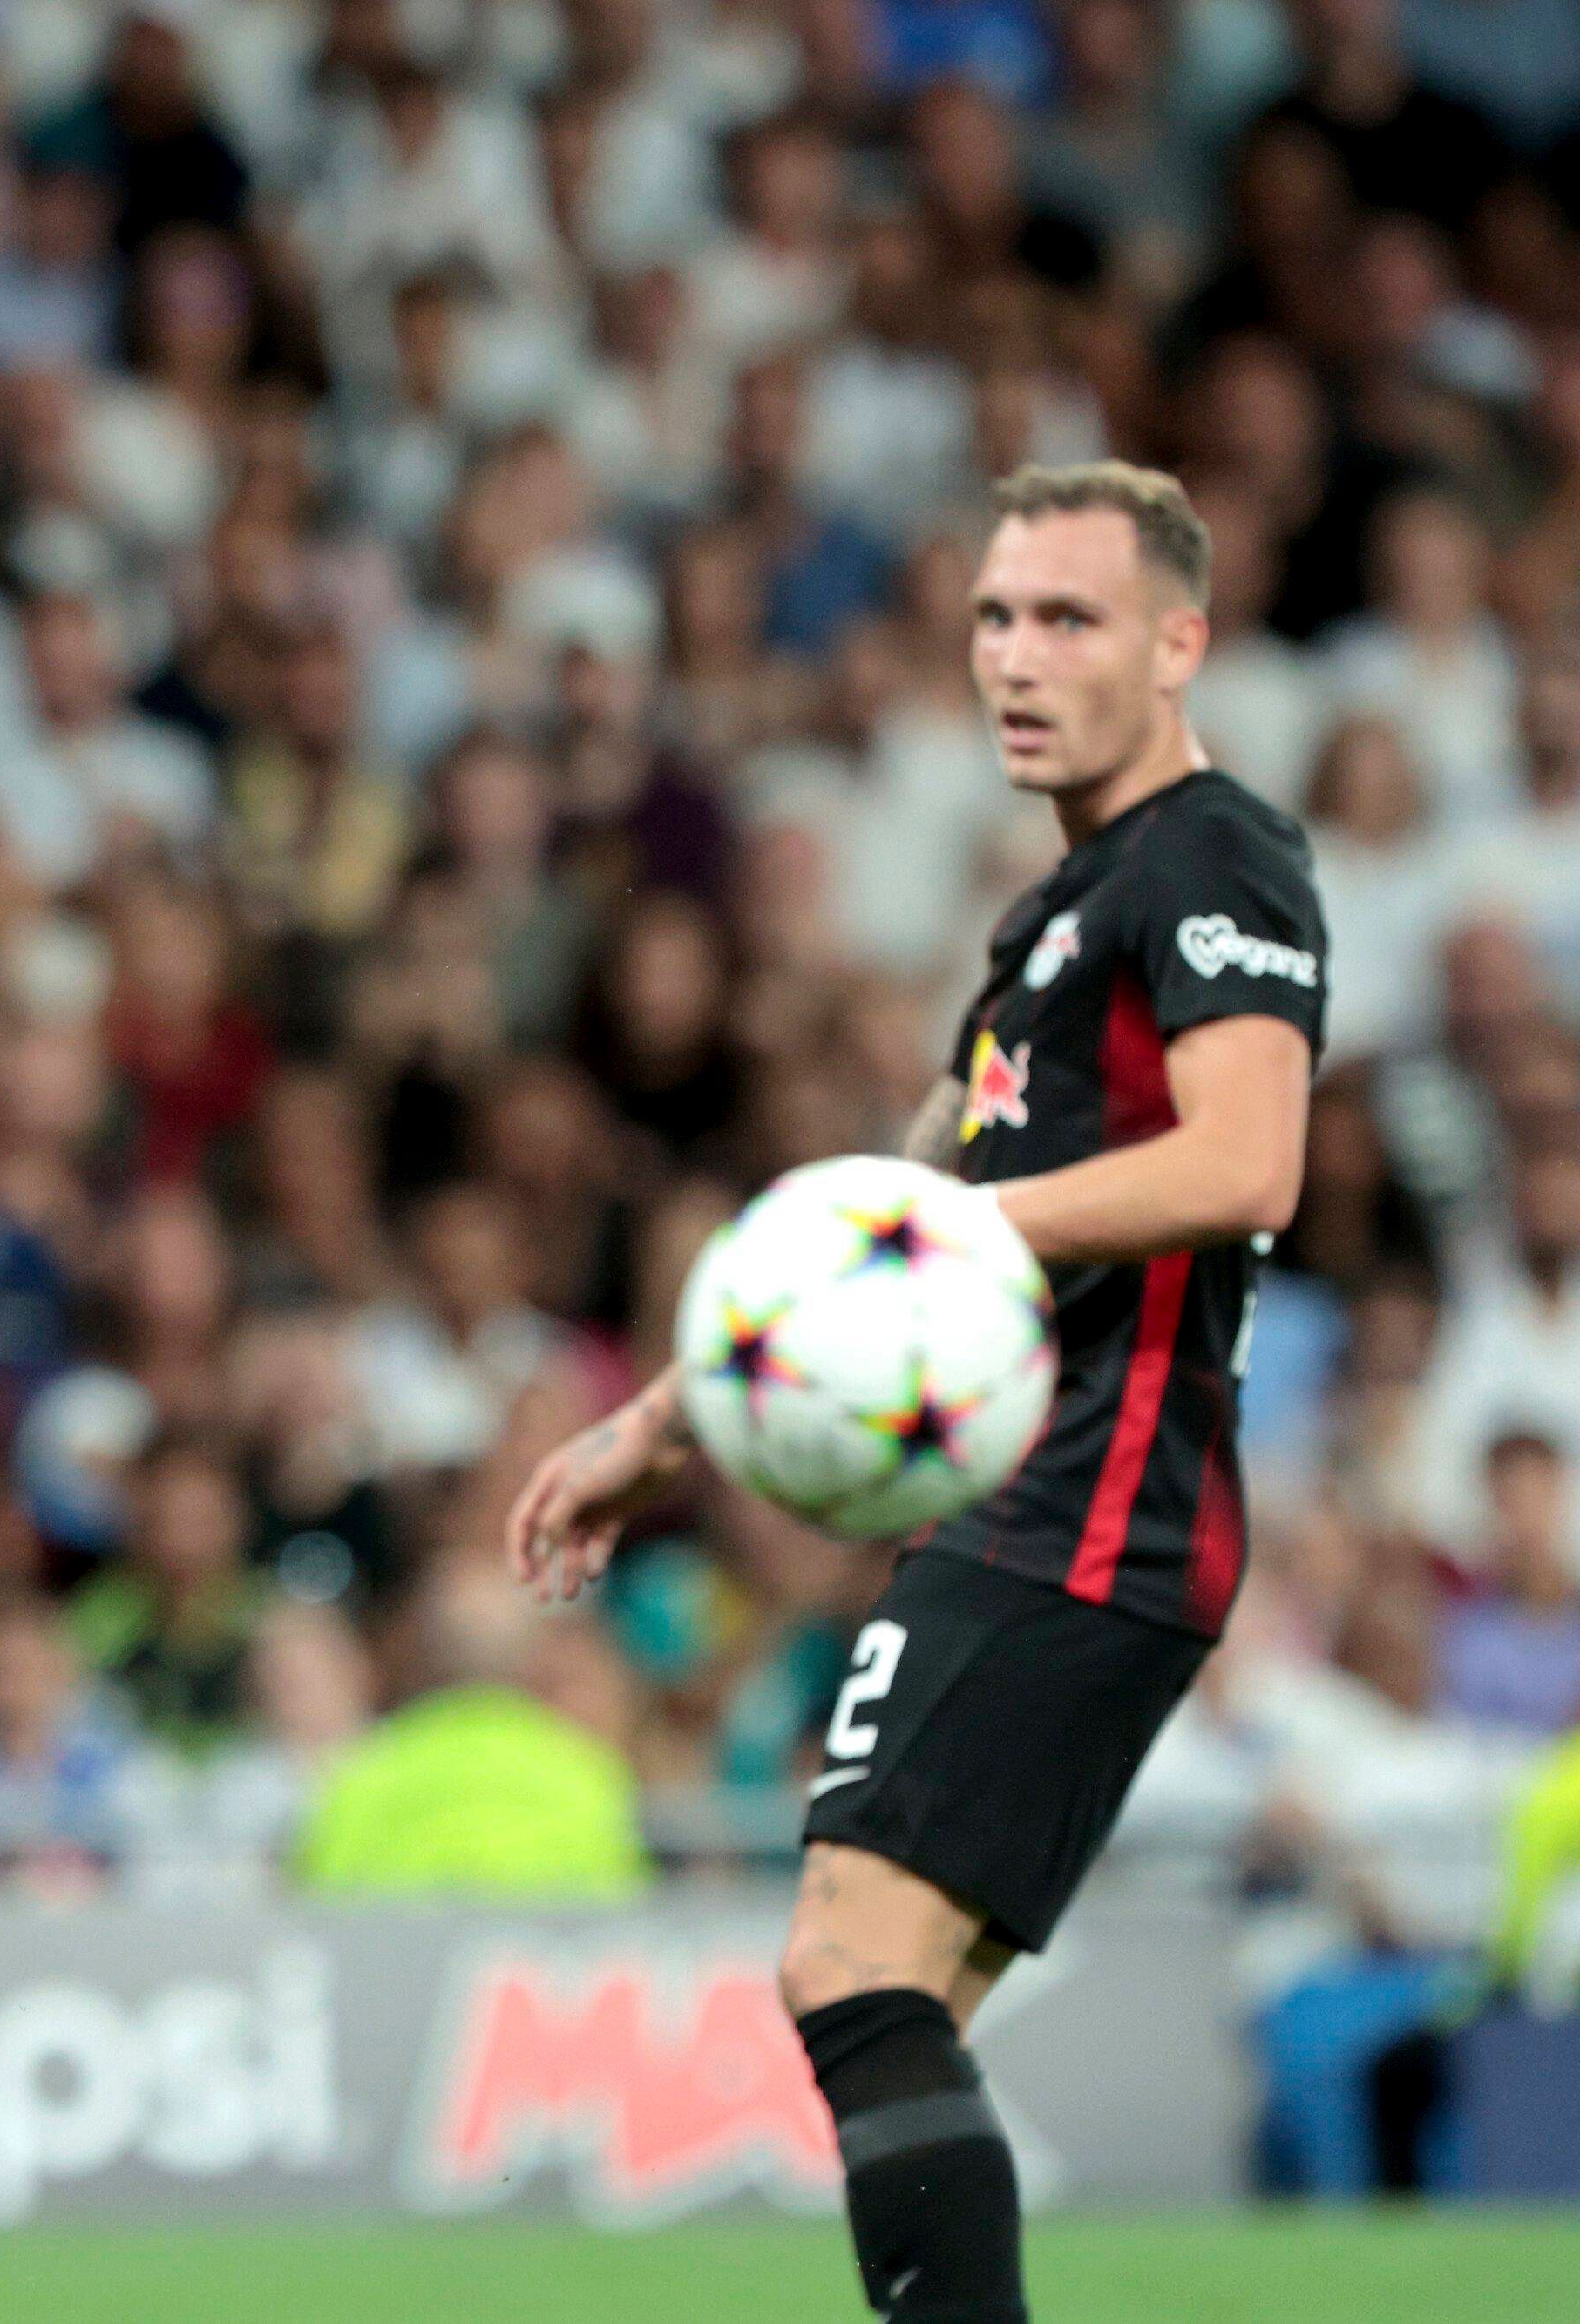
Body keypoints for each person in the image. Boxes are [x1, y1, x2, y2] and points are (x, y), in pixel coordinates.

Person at [506, 461, 1326, 2324]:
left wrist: (951, 1247)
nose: (1013, 659)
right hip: (1021, 1506)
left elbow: (1244, 1160)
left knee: (843, 1962)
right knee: (882, 1998)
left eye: (1068, 618)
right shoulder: (1051, 916)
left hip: (1097, 1508)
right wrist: (664, 1415)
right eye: (991, 616)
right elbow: (898, 1203)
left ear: (1176, 641)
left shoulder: (1215, 853)